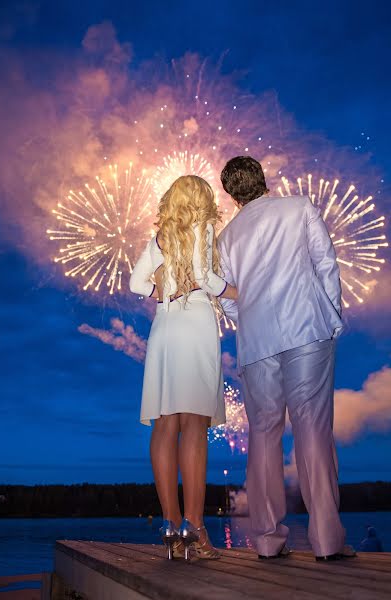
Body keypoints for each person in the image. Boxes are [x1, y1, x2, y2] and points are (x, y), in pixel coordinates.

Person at [218, 156, 355, 561]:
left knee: (262, 436)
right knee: (313, 430)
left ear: (230, 194)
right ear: (262, 179)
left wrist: (247, 326)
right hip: (307, 329)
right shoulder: (299, 207)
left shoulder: (225, 239)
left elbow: (225, 297)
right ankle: (328, 540)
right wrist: (332, 317)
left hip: (257, 343)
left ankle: (266, 540)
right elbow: (326, 264)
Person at [130, 175, 237, 560]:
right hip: (194, 322)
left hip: (164, 325)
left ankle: (170, 525)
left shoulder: (160, 238)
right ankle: (196, 526)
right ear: (203, 200)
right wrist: (236, 292)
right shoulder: (205, 227)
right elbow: (206, 277)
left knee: (165, 423)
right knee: (194, 424)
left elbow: (134, 283)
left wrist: (160, 290)